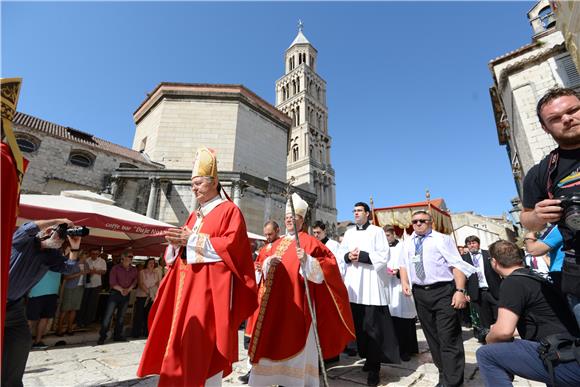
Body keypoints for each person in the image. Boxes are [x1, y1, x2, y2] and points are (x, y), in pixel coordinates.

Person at [137, 147, 258, 386]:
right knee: (178, 342)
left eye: (198, 183)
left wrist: (190, 240)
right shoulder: (195, 215)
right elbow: (183, 249)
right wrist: (175, 245)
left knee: (200, 345)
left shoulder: (229, 211)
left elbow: (232, 247)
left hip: (208, 294)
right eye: (192, 184)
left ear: (213, 182)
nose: (194, 188)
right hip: (184, 289)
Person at [248, 193, 355, 387]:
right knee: (271, 342)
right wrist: (267, 264)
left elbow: (329, 268)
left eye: (293, 217)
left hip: (300, 305)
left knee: (297, 348)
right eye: (287, 217)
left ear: (302, 219)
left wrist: (308, 261)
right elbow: (262, 265)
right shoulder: (277, 243)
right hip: (275, 305)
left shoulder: (311, 242)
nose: (289, 220)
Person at [476, 240, 580, 386]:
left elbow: (503, 332)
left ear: (494, 262)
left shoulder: (513, 282)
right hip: (570, 348)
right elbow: (546, 321)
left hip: (562, 358)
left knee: (487, 354)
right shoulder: (538, 276)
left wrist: (489, 337)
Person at [399, 210, 476, 387]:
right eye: (414, 222)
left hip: (443, 292)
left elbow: (456, 266)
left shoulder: (442, 239)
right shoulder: (408, 241)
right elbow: (403, 263)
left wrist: (460, 290)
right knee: (433, 338)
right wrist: (404, 282)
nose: (418, 224)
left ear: (430, 222)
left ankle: (453, 382)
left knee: (448, 337)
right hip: (420, 293)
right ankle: (444, 374)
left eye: (422, 221)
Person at [3, 219, 81, 387]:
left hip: (14, 306)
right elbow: (28, 227)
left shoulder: (52, 256)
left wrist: (74, 248)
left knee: (21, 342)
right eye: (60, 234)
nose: (60, 239)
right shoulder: (23, 241)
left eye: (62, 237)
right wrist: (59, 221)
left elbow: (70, 269)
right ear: (46, 232)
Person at [520, 87, 580, 304]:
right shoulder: (541, 173)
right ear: (545, 128)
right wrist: (538, 216)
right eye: (555, 118)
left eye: (573, 110)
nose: (567, 119)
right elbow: (527, 218)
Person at [338, 202, 400, 386]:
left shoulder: (377, 231)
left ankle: (375, 368)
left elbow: (383, 254)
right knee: (360, 328)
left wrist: (363, 256)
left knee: (374, 328)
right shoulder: (348, 233)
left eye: (359, 211)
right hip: (353, 288)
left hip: (371, 286)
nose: (356, 213)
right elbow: (340, 253)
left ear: (367, 213)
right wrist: (348, 256)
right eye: (354, 211)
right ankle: (367, 358)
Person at [239, 220, 281, 384]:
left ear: (277, 231)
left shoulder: (282, 246)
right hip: (260, 296)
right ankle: (253, 370)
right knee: (254, 335)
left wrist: (265, 265)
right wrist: (258, 268)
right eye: (265, 234)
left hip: (273, 298)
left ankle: (268, 372)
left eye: (270, 234)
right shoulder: (263, 249)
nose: (267, 237)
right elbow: (258, 267)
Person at [383, 225, 418, 362]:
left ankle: (406, 349)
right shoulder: (382, 247)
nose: (386, 239)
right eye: (384, 236)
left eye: (388, 235)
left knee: (404, 320)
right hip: (387, 286)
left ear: (393, 234)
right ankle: (394, 348)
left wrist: (399, 273)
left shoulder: (403, 246)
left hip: (400, 285)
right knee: (391, 320)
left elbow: (409, 264)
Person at [461, 235, 502, 334]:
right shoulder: (463, 259)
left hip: (493, 290)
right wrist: (465, 292)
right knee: (484, 318)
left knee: (498, 315)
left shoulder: (488, 254)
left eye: (474, 243)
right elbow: (462, 276)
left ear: (478, 244)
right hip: (477, 292)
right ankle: (488, 338)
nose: (472, 245)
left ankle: (501, 336)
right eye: (469, 244)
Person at [97, 251, 138, 344]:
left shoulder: (134, 269)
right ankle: (102, 336)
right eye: (129, 256)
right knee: (108, 315)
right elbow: (112, 283)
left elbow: (135, 281)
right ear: (123, 258)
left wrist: (129, 289)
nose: (131, 258)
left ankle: (117, 335)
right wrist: (122, 290)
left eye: (132, 257)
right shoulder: (115, 268)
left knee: (121, 316)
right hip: (115, 293)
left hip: (127, 293)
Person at [26, 270, 62, 349]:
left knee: (44, 318)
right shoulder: (41, 258)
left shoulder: (59, 261)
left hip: (51, 292)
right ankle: (22, 343)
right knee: (31, 319)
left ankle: (37, 342)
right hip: (36, 292)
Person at [56, 252, 87, 336]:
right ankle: (59, 329)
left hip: (80, 288)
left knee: (74, 309)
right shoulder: (72, 264)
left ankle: (69, 328)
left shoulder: (86, 264)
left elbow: (86, 274)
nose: (85, 258)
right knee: (65, 309)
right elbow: (66, 277)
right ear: (80, 256)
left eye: (86, 256)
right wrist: (79, 274)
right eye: (84, 256)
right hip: (69, 288)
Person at [77, 247, 107, 327]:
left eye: (96, 254)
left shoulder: (102, 261)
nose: (94, 255)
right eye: (93, 254)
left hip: (96, 285)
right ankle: (79, 320)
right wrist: (90, 272)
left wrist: (95, 271)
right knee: (83, 303)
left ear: (99, 254)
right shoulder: (87, 260)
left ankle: (88, 321)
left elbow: (104, 271)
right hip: (86, 285)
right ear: (90, 253)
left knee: (92, 304)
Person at [132, 258, 161, 338]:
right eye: (150, 263)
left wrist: (152, 293)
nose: (152, 264)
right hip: (142, 295)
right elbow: (141, 283)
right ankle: (136, 333)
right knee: (139, 314)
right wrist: (149, 292)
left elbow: (158, 283)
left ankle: (147, 332)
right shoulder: (142, 272)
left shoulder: (156, 273)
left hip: (152, 297)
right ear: (146, 264)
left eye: (153, 263)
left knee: (149, 315)